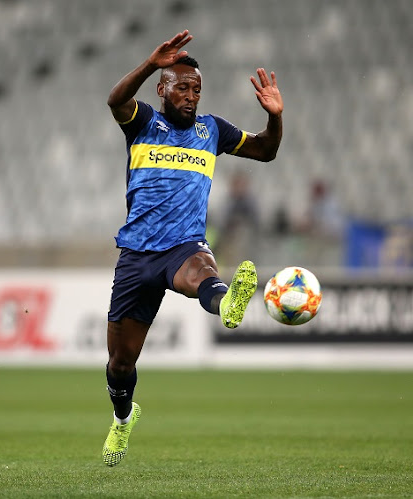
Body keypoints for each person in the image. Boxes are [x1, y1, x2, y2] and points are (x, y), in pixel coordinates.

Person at [102, 29, 283, 467]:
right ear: (162, 89)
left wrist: (275, 117)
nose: (191, 95)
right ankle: (124, 418)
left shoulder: (212, 130)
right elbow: (114, 100)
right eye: (182, 86)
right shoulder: (144, 121)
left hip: (183, 246)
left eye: (197, 88)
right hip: (136, 255)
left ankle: (227, 303)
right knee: (120, 364)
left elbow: (265, 150)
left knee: (202, 272)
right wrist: (150, 64)